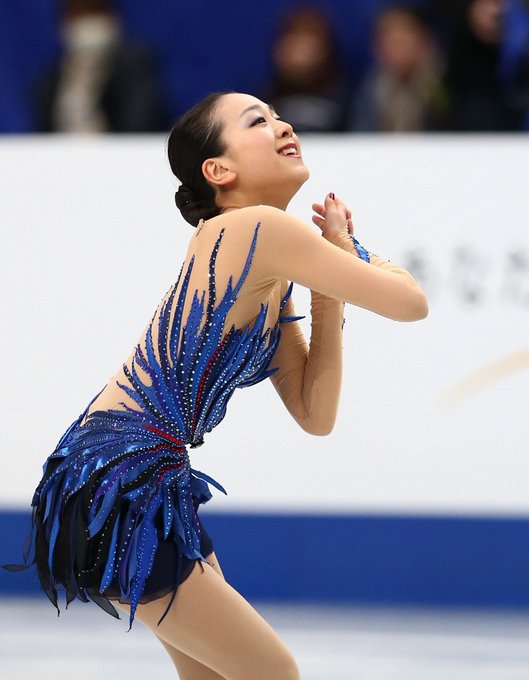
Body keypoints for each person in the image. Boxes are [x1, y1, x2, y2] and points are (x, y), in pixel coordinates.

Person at [4, 92, 428, 679]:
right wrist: (349, 250)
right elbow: (411, 303)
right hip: (121, 479)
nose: (283, 125)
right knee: (273, 673)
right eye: (258, 121)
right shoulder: (257, 227)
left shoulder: (266, 274)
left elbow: (315, 413)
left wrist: (327, 286)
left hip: (136, 477)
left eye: (278, 115)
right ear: (219, 170)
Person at [34, 0, 168, 133]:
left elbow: (140, 124)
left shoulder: (134, 66)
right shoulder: (52, 78)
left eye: (94, 13)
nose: (88, 24)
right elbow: (42, 133)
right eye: (79, 15)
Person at [351, 6, 449, 132]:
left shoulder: (444, 84)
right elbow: (360, 135)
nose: (396, 51)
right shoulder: (372, 88)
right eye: (388, 43)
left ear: (424, 42)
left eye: (402, 42)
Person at [265, 7, 351, 132]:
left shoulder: (347, 103)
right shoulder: (263, 104)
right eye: (294, 45)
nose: (300, 54)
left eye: (307, 46)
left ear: (325, 49)